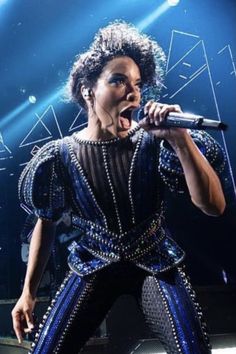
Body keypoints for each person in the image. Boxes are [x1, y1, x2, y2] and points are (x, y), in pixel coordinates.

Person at [12, 21, 226, 354]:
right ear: (88, 90)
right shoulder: (59, 156)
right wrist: (28, 292)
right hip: (93, 261)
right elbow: (46, 222)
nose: (133, 94)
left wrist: (182, 142)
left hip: (155, 260)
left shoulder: (158, 144)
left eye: (138, 84)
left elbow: (214, 206)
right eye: (118, 80)